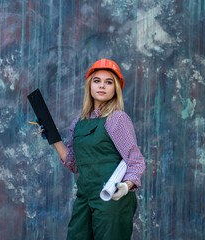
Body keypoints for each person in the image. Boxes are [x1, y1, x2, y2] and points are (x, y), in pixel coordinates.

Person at [51, 59, 145, 239]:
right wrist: (52, 137)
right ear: (89, 86)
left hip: (112, 197)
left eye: (108, 82)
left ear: (115, 88)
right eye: (97, 81)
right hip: (85, 196)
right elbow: (73, 164)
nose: (102, 86)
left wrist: (126, 186)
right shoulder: (78, 122)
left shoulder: (117, 119)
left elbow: (136, 161)